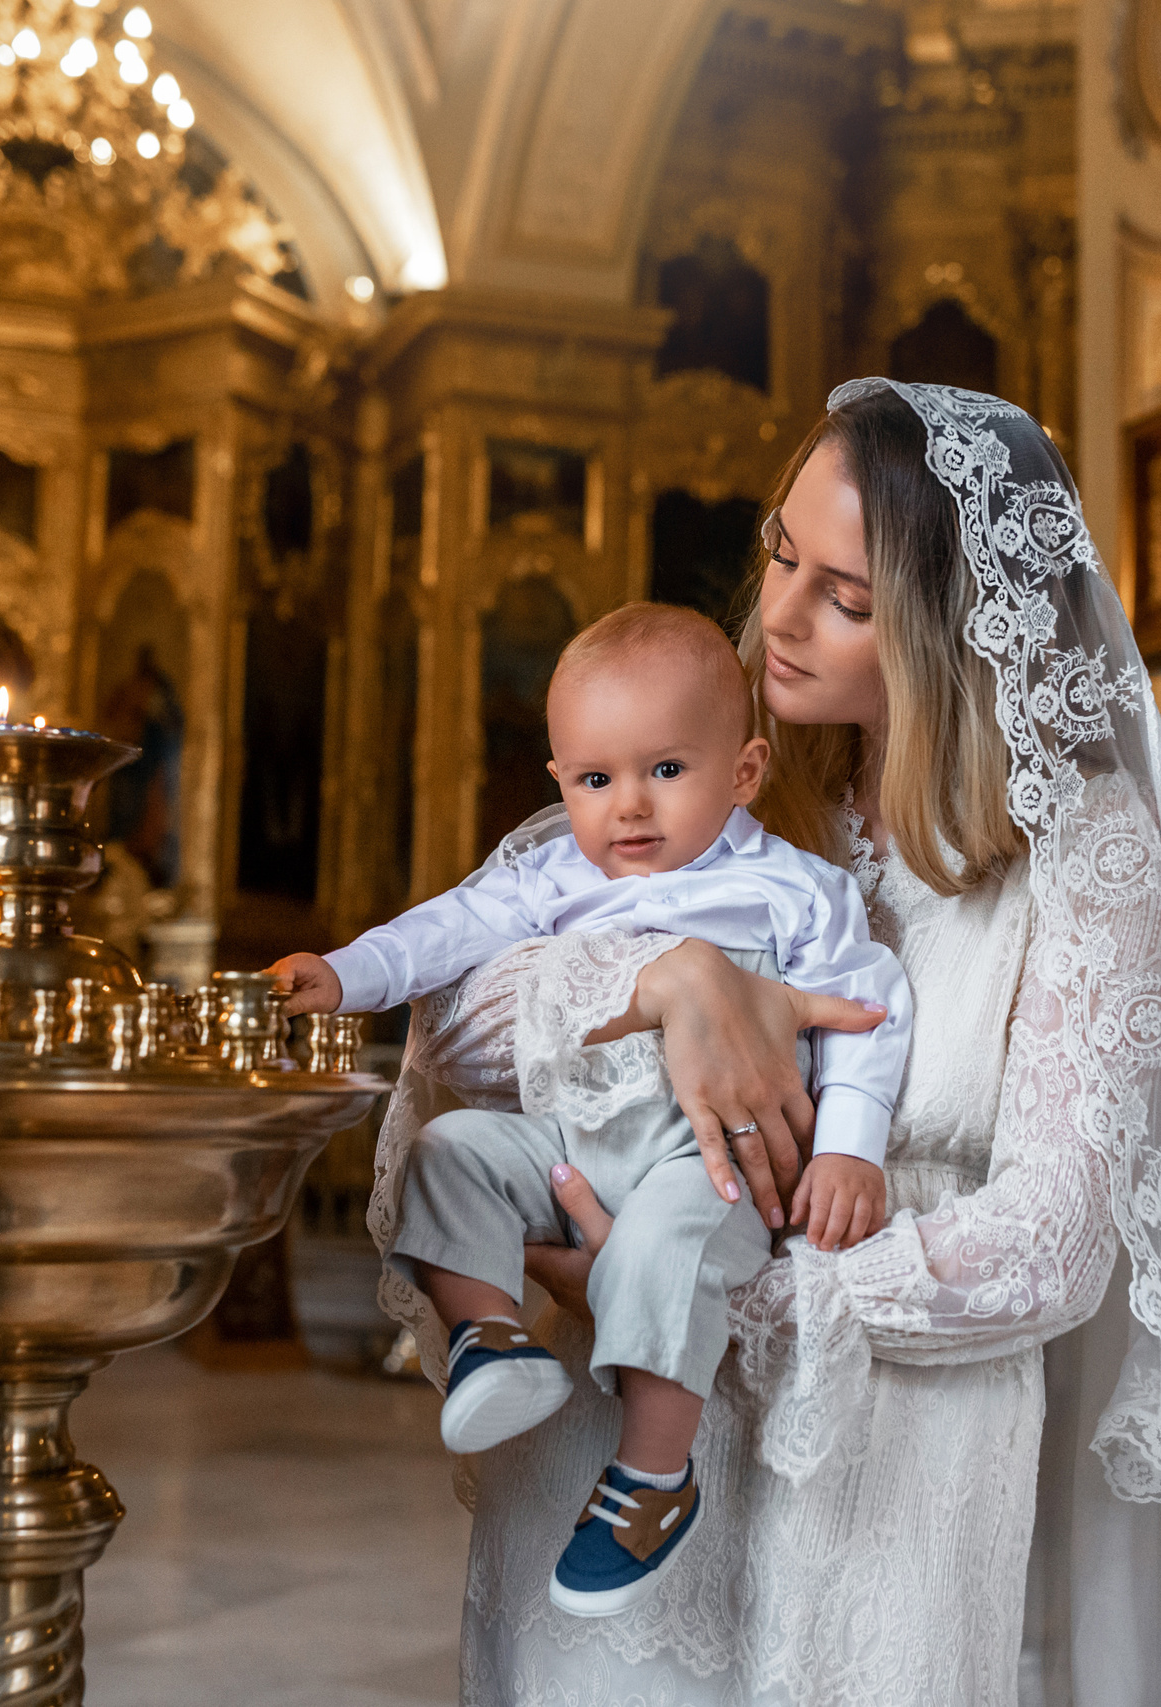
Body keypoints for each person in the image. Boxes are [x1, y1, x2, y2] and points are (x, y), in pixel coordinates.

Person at [372, 381, 1161, 1706]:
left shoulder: (1087, 855)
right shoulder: (705, 774)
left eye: (847, 598)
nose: (774, 614)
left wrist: (696, 1297)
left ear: (947, 629)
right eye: (779, 553)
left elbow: (1053, 1241)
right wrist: (672, 979)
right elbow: (455, 1022)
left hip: (887, 1475)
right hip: (599, 1453)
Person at [271, 603, 911, 1617]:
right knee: (452, 1152)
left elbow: (866, 1013)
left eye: (666, 771)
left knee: (668, 1247)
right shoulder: (555, 877)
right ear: (561, 782)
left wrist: (849, 1151)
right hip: (569, 1138)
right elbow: (443, 932)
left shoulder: (792, 890)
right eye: (596, 780)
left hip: (703, 1165)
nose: (631, 810)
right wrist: (345, 976)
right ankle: (490, 1336)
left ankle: (653, 1480)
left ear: (743, 773)